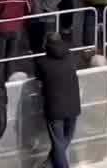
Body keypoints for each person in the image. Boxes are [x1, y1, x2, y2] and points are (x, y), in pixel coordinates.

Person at [34, 34, 81, 168]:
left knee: (58, 143)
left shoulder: (42, 62)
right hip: (73, 105)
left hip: (54, 108)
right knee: (65, 139)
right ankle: (48, 164)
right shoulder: (71, 56)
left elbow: (39, 81)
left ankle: (50, 164)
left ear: (46, 45)